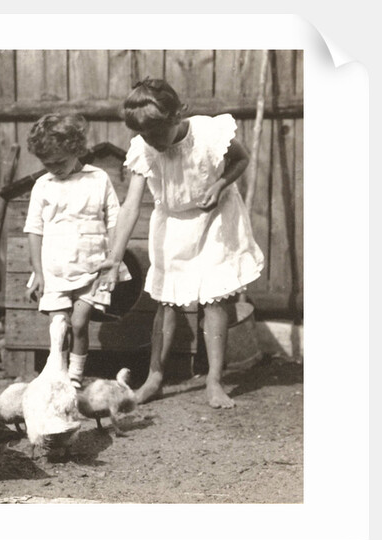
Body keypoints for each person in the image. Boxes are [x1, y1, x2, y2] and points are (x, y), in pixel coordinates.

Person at [98, 78, 264, 409]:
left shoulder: (209, 134)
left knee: (215, 300)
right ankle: (154, 378)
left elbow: (241, 160)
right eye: (145, 136)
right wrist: (114, 257)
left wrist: (220, 184)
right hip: (172, 223)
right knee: (167, 301)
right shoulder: (142, 148)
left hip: (217, 219)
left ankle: (214, 381)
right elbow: (131, 205)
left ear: (177, 116)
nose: (152, 142)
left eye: (157, 134)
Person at [23, 113, 131, 390]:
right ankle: (56, 372)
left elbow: (114, 221)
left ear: (76, 150)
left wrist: (113, 260)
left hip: (92, 266)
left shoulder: (97, 179)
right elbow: (34, 230)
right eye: (48, 164)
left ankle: (75, 374)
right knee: (58, 325)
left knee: (80, 322)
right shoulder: (43, 186)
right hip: (55, 268)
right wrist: (38, 272)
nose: (55, 169)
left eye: (60, 162)